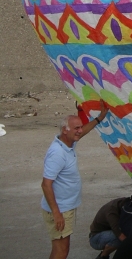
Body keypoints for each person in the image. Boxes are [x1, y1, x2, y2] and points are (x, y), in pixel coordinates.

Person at [41, 102, 109, 259]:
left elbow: (83, 131)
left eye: (80, 127)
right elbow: (46, 185)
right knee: (61, 250)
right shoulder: (57, 153)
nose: (80, 131)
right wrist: (57, 213)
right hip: (60, 209)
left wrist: (99, 118)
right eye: (76, 128)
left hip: (65, 207)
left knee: (61, 248)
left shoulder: (67, 143)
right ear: (65, 130)